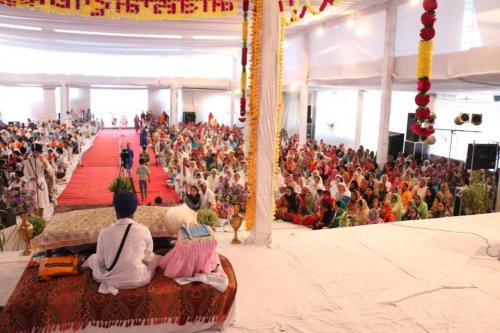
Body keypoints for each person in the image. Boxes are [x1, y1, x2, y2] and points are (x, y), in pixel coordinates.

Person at [83, 191, 159, 295]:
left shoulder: (104, 233)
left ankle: (81, 266)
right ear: (135, 209)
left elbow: (101, 262)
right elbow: (148, 259)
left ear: (115, 209)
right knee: (155, 259)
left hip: (111, 280)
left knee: (93, 258)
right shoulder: (143, 230)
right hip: (138, 280)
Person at [23, 143, 53, 217]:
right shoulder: (27, 161)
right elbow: (25, 173)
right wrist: (31, 177)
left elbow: (51, 172)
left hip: (41, 182)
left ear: (40, 152)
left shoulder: (43, 159)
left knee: (42, 202)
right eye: (34, 151)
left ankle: (41, 218)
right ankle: (36, 218)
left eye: (37, 152)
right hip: (32, 183)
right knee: (34, 202)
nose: (35, 153)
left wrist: (44, 163)